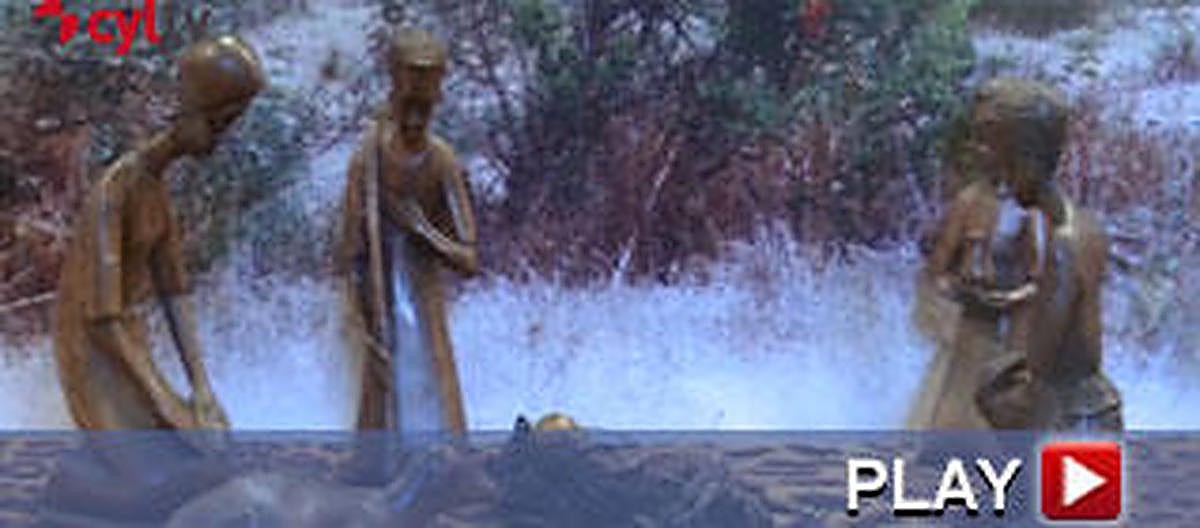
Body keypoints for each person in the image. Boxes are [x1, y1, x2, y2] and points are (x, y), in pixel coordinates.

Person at [52, 35, 264, 431]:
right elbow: (103, 321)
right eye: (218, 123)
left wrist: (201, 390)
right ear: (189, 112)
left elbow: (174, 293)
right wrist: (167, 406)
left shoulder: (155, 189)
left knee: (211, 443)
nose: (221, 138)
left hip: (129, 350)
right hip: (96, 361)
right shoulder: (115, 192)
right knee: (184, 454)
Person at [336, 28, 480, 435]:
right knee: (381, 418)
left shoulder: (442, 161)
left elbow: (469, 259)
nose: (415, 118)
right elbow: (350, 252)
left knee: (434, 418)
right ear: (393, 92)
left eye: (425, 107)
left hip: (424, 313)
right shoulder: (368, 158)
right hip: (382, 314)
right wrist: (364, 320)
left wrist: (422, 231)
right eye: (407, 105)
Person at [971, 79, 1123, 431]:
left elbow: (1042, 362)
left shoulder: (1063, 245)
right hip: (1093, 409)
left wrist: (997, 388)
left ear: (1026, 159)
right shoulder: (1087, 224)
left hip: (1074, 422)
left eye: (1003, 167)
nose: (999, 180)